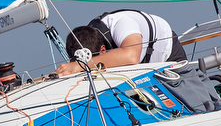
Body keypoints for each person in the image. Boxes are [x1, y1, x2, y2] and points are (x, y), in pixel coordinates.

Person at [57, 8, 186, 76]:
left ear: (102, 50)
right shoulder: (85, 40)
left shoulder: (121, 24)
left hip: (167, 54)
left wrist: (80, 66)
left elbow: (131, 56)